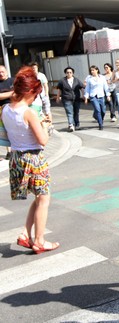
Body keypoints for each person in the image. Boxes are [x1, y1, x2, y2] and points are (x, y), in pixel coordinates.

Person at [1, 66, 59, 254]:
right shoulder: (29, 112)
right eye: (36, 93)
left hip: (17, 158)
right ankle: (40, 240)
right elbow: (42, 141)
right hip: (33, 158)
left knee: (38, 197)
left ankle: (26, 234)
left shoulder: (5, 110)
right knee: (44, 199)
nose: (36, 97)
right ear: (30, 91)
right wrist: (47, 126)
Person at [56, 66, 84, 132]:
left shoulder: (76, 80)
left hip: (76, 99)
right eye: (67, 72)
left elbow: (81, 88)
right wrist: (58, 97)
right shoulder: (62, 81)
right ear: (65, 73)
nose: (69, 74)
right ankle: (71, 125)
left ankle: (76, 124)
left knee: (76, 112)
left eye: (70, 72)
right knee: (69, 112)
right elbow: (59, 90)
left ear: (73, 73)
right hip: (66, 99)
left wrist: (83, 95)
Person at [84, 65, 111, 130]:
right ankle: (100, 124)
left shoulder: (102, 77)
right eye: (91, 70)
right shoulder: (89, 79)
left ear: (97, 70)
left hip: (101, 96)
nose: (92, 71)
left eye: (93, 70)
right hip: (93, 96)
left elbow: (105, 86)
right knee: (98, 110)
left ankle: (96, 116)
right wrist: (86, 98)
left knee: (103, 110)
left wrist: (108, 95)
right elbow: (87, 89)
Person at [0, 65, 13, 161]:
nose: (1, 73)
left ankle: (12, 151)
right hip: (1, 109)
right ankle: (8, 151)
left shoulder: (13, 81)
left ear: (6, 72)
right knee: (2, 131)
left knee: (10, 130)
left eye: (2, 71)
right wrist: (11, 93)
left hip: (12, 108)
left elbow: (18, 93)